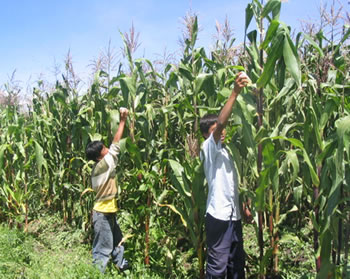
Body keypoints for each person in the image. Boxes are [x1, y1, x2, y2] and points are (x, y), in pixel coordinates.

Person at [199, 72, 251, 279]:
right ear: (206, 134)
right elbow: (220, 123)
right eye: (215, 130)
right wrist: (235, 92)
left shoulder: (228, 151)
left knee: (236, 264)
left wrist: (244, 208)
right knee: (217, 267)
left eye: (221, 129)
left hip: (233, 215)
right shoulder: (209, 148)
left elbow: (232, 183)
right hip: (218, 216)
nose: (221, 132)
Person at [85, 107, 129, 273]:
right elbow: (116, 144)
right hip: (102, 214)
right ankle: (97, 274)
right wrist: (123, 119)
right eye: (104, 149)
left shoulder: (100, 166)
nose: (107, 149)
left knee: (117, 241)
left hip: (108, 211)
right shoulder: (103, 165)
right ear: (99, 156)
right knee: (103, 248)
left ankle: (122, 267)